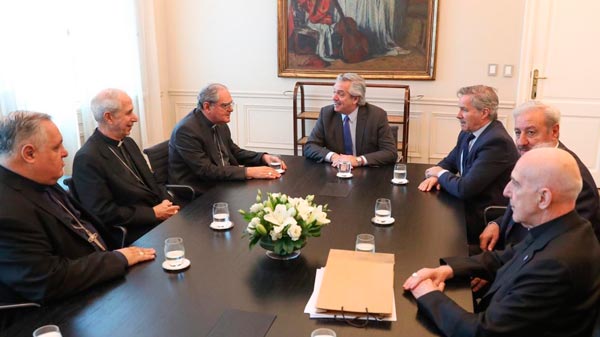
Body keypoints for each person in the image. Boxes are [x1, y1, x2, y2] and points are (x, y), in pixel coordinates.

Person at [404, 148, 600, 337]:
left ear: (543, 198)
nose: (506, 191)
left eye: (515, 183)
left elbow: (481, 332)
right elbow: (510, 255)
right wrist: (448, 270)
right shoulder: (569, 227)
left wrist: (428, 295)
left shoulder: (555, 265)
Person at [0, 111, 155, 308]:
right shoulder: (7, 211)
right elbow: (48, 281)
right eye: (56, 147)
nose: (65, 152)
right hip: (58, 311)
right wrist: (117, 259)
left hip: (97, 279)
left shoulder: (39, 178)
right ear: (29, 154)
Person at [479, 101, 600, 252]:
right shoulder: (534, 158)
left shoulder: (573, 178)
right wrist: (497, 224)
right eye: (518, 132)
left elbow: (562, 246)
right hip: (509, 249)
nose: (521, 142)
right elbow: (525, 205)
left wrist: (500, 273)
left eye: (531, 132)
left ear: (554, 132)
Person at [72, 89, 179, 245]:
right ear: (108, 117)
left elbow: (152, 182)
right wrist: (153, 213)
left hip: (159, 218)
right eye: (128, 113)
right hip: (133, 231)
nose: (135, 118)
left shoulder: (128, 142)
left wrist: (167, 203)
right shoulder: (87, 158)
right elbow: (103, 212)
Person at [418, 85, 519, 244]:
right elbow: (450, 161)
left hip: (481, 217)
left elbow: (465, 189)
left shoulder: (497, 142)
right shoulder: (468, 132)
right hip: (464, 205)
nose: (458, 115)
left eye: (464, 110)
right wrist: (437, 175)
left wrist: (440, 174)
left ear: (484, 113)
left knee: (426, 231)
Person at [168, 83, 284, 194]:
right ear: (207, 106)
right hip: (201, 190)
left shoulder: (219, 122)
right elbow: (206, 171)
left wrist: (263, 158)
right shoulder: (186, 131)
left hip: (223, 182)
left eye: (231, 104)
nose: (231, 109)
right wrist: (248, 171)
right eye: (225, 105)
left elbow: (234, 152)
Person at [303, 73, 397, 167]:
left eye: (340, 94)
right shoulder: (327, 114)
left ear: (355, 99)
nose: (334, 98)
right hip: (336, 172)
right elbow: (310, 146)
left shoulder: (376, 115)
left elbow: (390, 153)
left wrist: (358, 160)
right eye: (334, 92)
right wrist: (333, 157)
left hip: (368, 174)